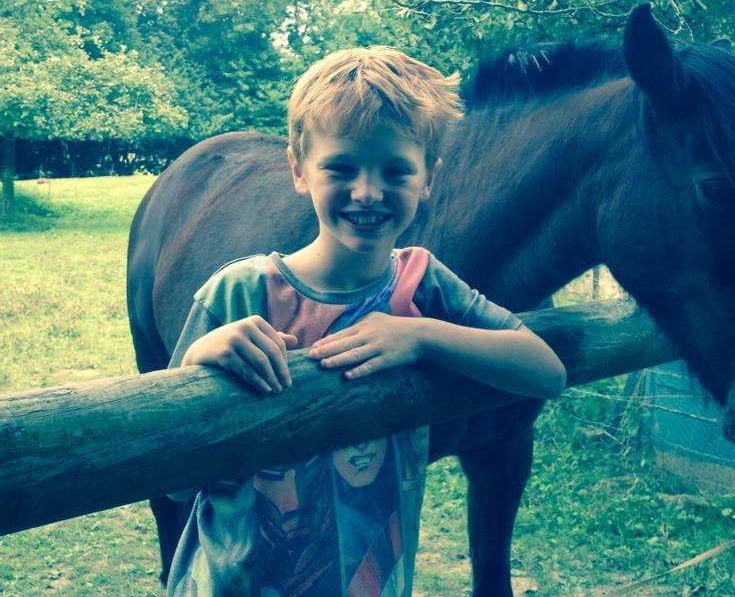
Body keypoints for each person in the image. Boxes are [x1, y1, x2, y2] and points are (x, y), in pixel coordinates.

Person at [164, 47, 567, 597]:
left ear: (428, 179)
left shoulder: (423, 287)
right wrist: (196, 362)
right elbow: (170, 479)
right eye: (342, 167)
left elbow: (546, 372)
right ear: (299, 170)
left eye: (396, 169)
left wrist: (421, 334)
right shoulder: (239, 293)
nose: (368, 191)